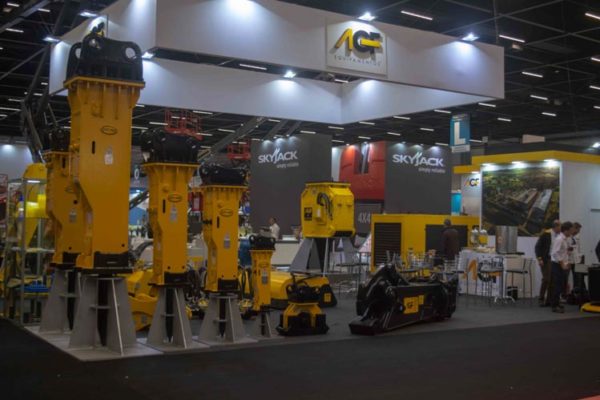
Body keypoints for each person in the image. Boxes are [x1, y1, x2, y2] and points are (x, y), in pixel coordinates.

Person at [549, 221, 574, 313]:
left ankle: (557, 303)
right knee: (557, 285)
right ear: (566, 230)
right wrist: (562, 264)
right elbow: (554, 253)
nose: (572, 232)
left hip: (563, 264)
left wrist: (568, 261)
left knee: (562, 285)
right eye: (571, 230)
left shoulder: (565, 239)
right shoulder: (559, 239)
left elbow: (563, 252)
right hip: (557, 265)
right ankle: (554, 306)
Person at [535, 219, 561, 306]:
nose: (561, 228)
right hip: (546, 259)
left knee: (553, 281)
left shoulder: (560, 236)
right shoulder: (546, 234)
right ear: (555, 226)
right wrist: (539, 258)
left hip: (555, 260)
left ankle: (549, 300)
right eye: (560, 226)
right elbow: (537, 247)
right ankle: (541, 298)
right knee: (546, 279)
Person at [565, 222, 582, 297]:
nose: (579, 231)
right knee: (566, 277)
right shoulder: (567, 237)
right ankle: (564, 294)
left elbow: (578, 249)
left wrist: (579, 258)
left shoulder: (577, 237)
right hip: (568, 261)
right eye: (578, 230)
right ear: (574, 228)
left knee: (577, 277)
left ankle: (576, 293)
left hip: (576, 261)